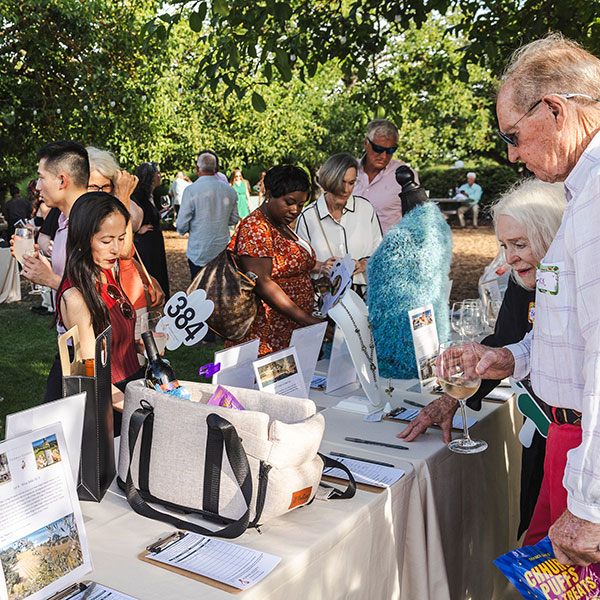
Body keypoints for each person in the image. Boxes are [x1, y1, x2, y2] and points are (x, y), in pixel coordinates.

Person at [456, 33, 600, 566]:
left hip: (584, 450)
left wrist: (589, 503)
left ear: (557, 110)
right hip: (568, 440)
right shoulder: (581, 192)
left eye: (513, 135)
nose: (512, 154)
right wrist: (507, 357)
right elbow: (570, 330)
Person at [399, 178, 566, 538]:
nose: (509, 258)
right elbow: (504, 347)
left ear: (553, 236)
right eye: (504, 245)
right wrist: (450, 399)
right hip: (544, 438)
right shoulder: (525, 282)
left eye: (520, 244)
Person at [16, 141, 90, 403]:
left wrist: (50, 279)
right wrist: (39, 264)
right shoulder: (63, 220)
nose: (36, 186)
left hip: (86, 349)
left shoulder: (90, 226)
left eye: (40, 177)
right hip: (69, 342)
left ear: (62, 180)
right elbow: (71, 274)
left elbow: (95, 292)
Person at [227, 165, 325, 355]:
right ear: (269, 194)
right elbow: (262, 282)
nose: (295, 210)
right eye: (289, 202)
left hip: (288, 329)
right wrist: (304, 318)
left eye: (301, 204)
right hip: (266, 332)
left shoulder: (280, 224)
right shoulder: (256, 228)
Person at [56, 192, 142, 397]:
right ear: (83, 239)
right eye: (106, 241)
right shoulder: (76, 296)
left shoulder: (105, 271)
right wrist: (134, 407)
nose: (116, 249)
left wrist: (137, 345)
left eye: (121, 238)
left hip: (131, 386)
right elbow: (91, 376)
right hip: (112, 402)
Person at [295, 153, 382, 292]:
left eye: (351, 183)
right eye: (341, 182)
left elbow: (379, 251)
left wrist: (364, 264)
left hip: (363, 296)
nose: (346, 190)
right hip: (323, 296)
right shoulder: (308, 216)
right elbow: (297, 262)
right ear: (329, 180)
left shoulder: (366, 209)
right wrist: (320, 266)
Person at [177, 152, 239, 280]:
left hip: (199, 251)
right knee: (221, 290)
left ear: (197, 168)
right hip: (221, 250)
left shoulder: (191, 190)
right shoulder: (229, 190)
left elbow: (182, 225)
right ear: (216, 169)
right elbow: (234, 219)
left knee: (199, 292)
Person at [353, 119, 419, 234]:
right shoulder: (347, 170)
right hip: (349, 249)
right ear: (365, 143)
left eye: (390, 150)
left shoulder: (405, 175)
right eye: (378, 149)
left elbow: (417, 219)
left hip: (387, 249)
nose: (383, 156)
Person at [131, 161, 170, 298]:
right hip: (145, 244)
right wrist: (137, 229)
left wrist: (160, 213)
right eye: (157, 173)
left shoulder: (150, 194)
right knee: (150, 274)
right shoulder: (138, 195)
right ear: (151, 177)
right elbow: (129, 215)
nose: (160, 176)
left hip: (155, 242)